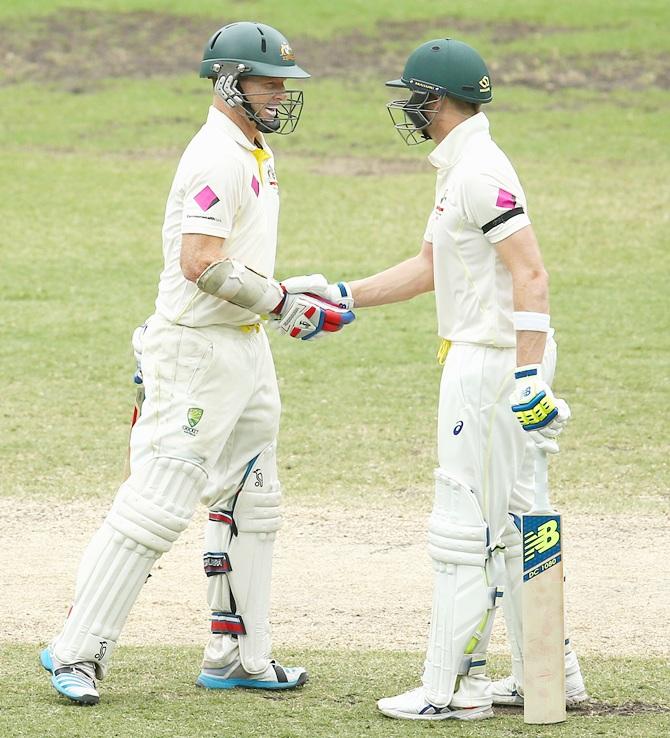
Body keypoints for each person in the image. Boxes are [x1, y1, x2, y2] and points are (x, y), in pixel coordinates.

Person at [39, 21, 354, 705]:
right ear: (228, 82)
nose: (280, 94)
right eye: (268, 82)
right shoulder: (215, 156)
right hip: (194, 354)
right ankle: (75, 651)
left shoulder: (254, 150)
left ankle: (238, 654)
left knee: (253, 501)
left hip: (243, 348)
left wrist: (287, 290)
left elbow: (233, 258)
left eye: (283, 83)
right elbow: (200, 263)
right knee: (157, 507)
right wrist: (280, 302)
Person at [284, 38, 587, 720]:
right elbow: (430, 268)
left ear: (438, 101)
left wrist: (529, 375)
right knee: (517, 521)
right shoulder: (461, 171)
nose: (409, 109)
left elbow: (531, 271)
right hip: (493, 361)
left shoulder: (478, 172)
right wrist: (341, 293)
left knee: (464, 524)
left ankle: (453, 689)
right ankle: (548, 676)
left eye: (413, 97)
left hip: (488, 366)